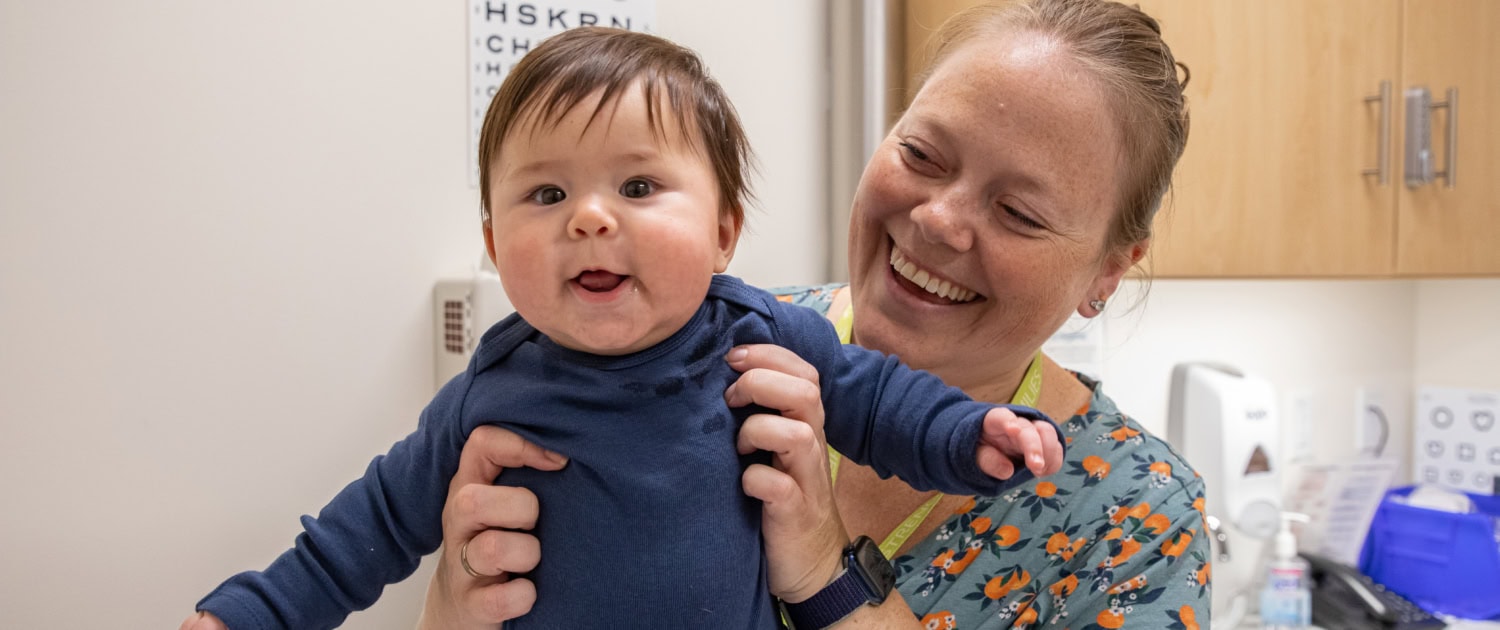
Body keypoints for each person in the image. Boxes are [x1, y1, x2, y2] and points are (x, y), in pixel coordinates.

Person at [179, 26, 1067, 630]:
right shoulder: (491, 396)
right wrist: (246, 613)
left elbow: (882, 405)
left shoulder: (762, 336)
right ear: (495, 246)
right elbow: (357, 533)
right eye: (547, 194)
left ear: (724, 231)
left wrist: (967, 434)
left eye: (639, 187)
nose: (591, 218)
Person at [412, 0, 1210, 628]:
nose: (936, 220)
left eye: (1019, 213)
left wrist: (831, 577)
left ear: (1109, 268)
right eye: (922, 155)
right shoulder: (719, 339)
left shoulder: (1138, 520)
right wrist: (455, 607)